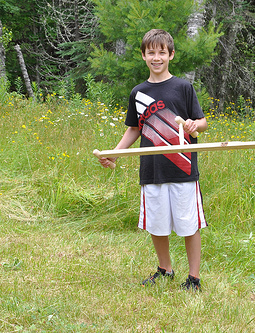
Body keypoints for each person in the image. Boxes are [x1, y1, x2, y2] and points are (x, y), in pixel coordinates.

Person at [98, 29, 208, 291]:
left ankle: (194, 278)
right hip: (152, 170)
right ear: (143, 56)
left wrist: (195, 125)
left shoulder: (183, 87)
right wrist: (115, 152)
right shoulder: (138, 93)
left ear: (171, 55)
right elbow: (134, 128)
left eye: (162, 52)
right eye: (151, 52)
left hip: (182, 167)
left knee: (188, 223)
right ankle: (165, 269)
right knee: (157, 224)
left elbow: (202, 122)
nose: (156, 57)